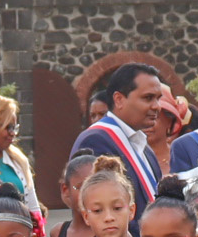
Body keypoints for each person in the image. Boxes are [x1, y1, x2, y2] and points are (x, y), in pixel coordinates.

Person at [70, 63, 169, 213]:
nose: (157, 106)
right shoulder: (95, 141)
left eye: (158, 98)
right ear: (119, 99)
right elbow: (93, 211)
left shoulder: (144, 148)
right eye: (148, 98)